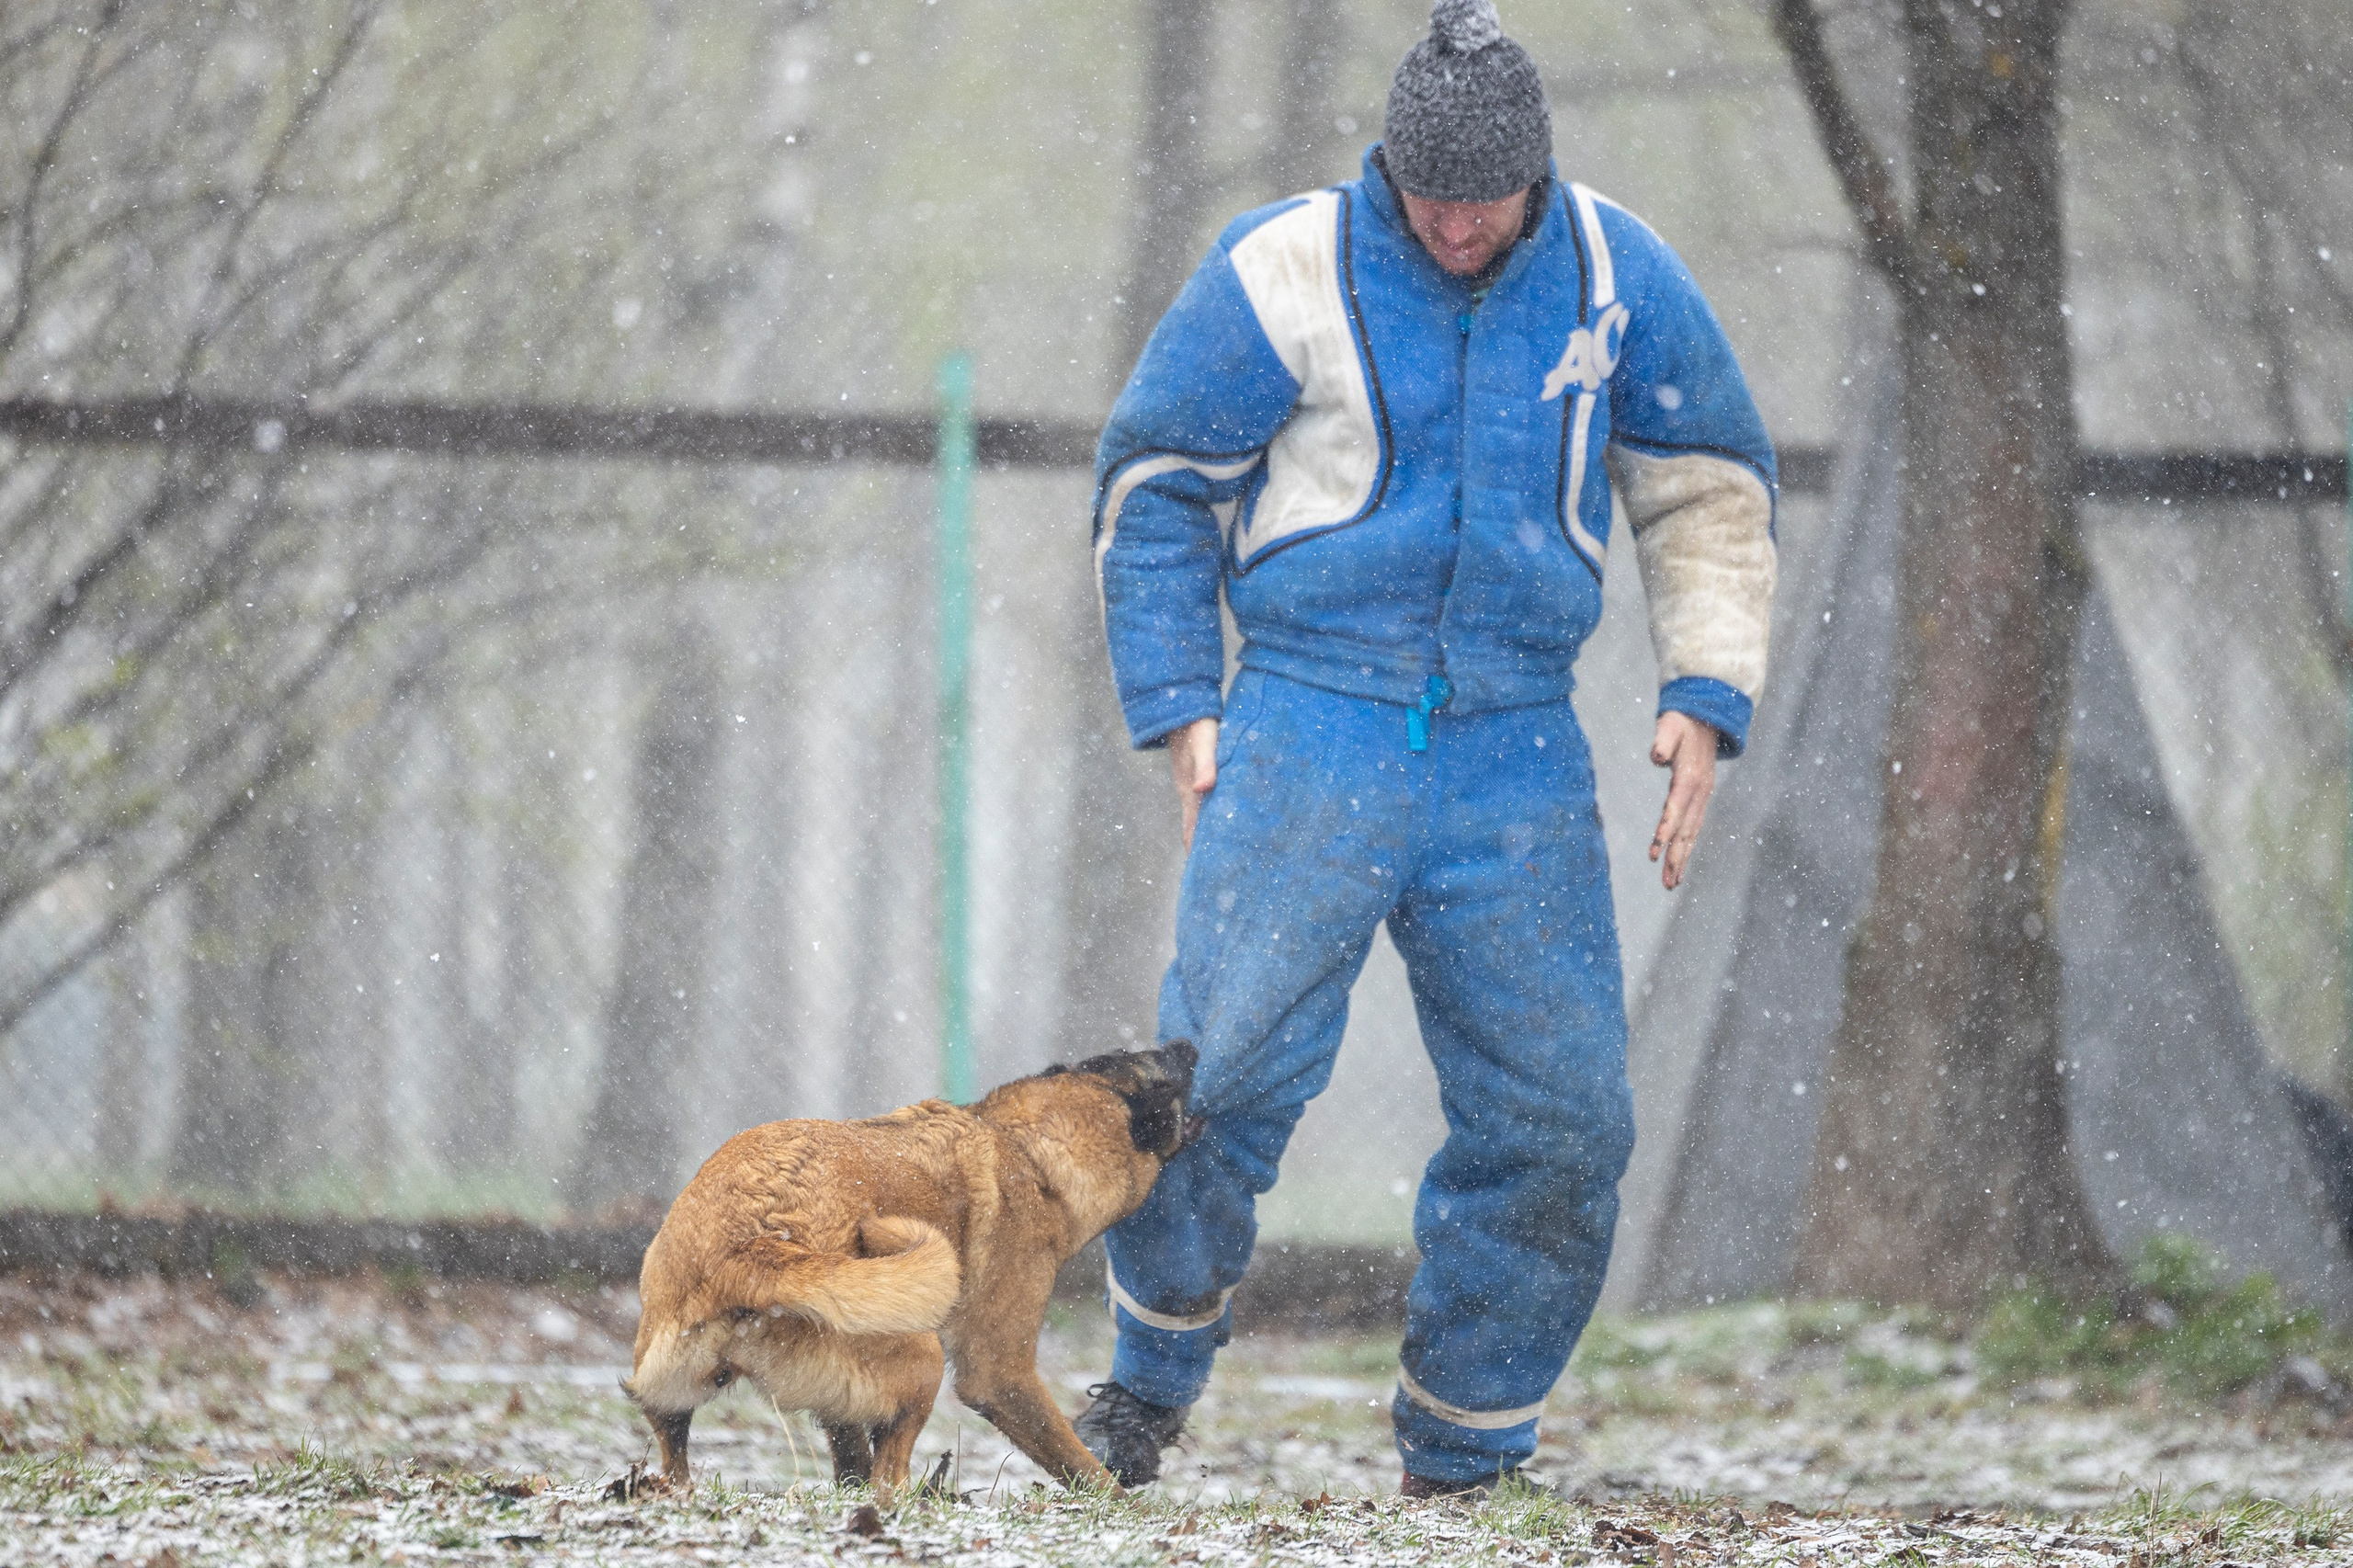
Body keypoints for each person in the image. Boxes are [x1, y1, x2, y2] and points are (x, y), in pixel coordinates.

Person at [1075, 0, 1777, 1495]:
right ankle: (1141, 1385)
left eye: (1488, 201)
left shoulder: (1614, 273)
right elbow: (1155, 486)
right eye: (1430, 197)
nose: (1458, 227)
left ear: (1539, 173)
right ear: (1388, 167)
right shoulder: (1280, 270)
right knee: (1218, 1075)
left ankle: (1469, 1444)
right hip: (1309, 715)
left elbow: (1708, 483)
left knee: (1562, 1113)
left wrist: (1705, 689)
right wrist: (1181, 696)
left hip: (1515, 743)